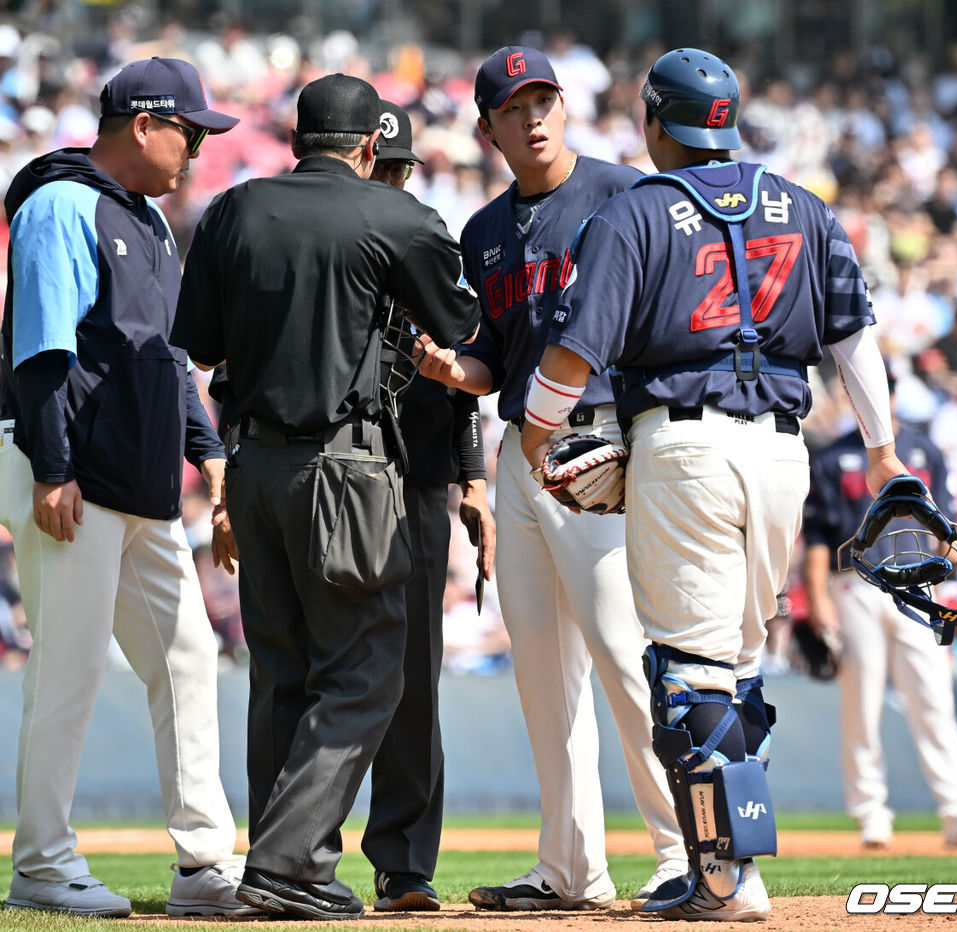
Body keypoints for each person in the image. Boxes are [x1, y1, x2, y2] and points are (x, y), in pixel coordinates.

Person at [520, 47, 911, 922]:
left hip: (684, 445)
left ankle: (729, 881)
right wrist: (882, 450)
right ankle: (739, 869)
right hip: (781, 452)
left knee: (689, 673)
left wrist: (539, 438)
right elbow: (855, 338)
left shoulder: (637, 212)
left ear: (657, 122)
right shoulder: (802, 206)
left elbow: (572, 352)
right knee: (735, 667)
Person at [170, 74, 480, 921]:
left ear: (297, 135)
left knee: (282, 673)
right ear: (372, 147)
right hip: (342, 468)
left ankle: (288, 873)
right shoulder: (398, 216)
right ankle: (286, 864)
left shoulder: (234, 210)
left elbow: (197, 344)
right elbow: (461, 328)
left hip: (255, 464)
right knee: (367, 670)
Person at [418, 45, 688, 912]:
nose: (532, 116)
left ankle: (685, 851)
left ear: (565, 108)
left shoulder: (625, 193)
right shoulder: (485, 231)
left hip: (602, 442)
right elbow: (492, 362)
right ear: (489, 127)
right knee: (541, 669)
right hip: (518, 456)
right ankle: (569, 868)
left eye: (544, 99)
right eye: (513, 105)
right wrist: (444, 367)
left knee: (621, 650)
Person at [0, 57, 253, 918]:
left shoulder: (151, 220)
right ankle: (41, 861)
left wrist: (209, 456)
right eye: (189, 130)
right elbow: (40, 349)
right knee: (66, 668)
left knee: (186, 655)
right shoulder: (58, 202)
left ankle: (203, 864)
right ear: (142, 125)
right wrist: (52, 466)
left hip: (137, 475)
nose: (197, 148)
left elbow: (168, 359)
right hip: (67, 465)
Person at [362, 99, 496, 913]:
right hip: (333, 469)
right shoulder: (317, 237)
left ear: (407, 171)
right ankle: (290, 858)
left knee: (413, 678)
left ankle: (404, 864)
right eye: (375, 165)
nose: (388, 179)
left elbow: (465, 373)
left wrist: (473, 479)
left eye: (395, 168)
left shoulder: (427, 241)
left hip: (413, 478)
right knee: (324, 668)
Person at [803, 369, 957, 846]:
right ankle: (871, 813)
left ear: (890, 396)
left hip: (918, 583)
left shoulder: (923, 451)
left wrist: (944, 574)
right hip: (855, 584)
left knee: (934, 699)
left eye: (877, 391)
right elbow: (818, 537)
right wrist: (816, 600)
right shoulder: (834, 458)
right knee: (862, 704)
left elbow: (949, 522)